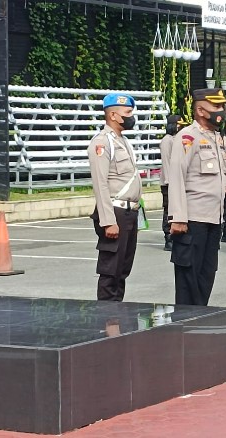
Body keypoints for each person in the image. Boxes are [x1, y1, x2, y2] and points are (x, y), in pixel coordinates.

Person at [168, 88, 226, 306]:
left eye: (222, 106)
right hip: (192, 219)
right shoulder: (187, 137)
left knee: (206, 274)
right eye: (217, 106)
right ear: (201, 110)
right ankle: (185, 326)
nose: (221, 111)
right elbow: (176, 177)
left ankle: (200, 321)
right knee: (188, 277)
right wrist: (178, 217)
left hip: (214, 218)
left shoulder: (217, 138)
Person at [88, 94, 142, 301]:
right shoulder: (102, 142)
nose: (131, 117)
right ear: (112, 115)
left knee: (122, 270)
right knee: (111, 271)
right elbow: (100, 185)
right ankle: (106, 319)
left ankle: (116, 317)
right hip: (115, 212)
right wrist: (108, 221)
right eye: (127, 113)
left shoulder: (123, 141)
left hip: (130, 212)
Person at [160, 115, 187, 251]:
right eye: (178, 124)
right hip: (169, 181)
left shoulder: (178, 139)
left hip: (177, 181)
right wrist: (169, 181)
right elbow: (166, 162)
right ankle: (168, 238)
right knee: (168, 209)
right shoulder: (167, 140)